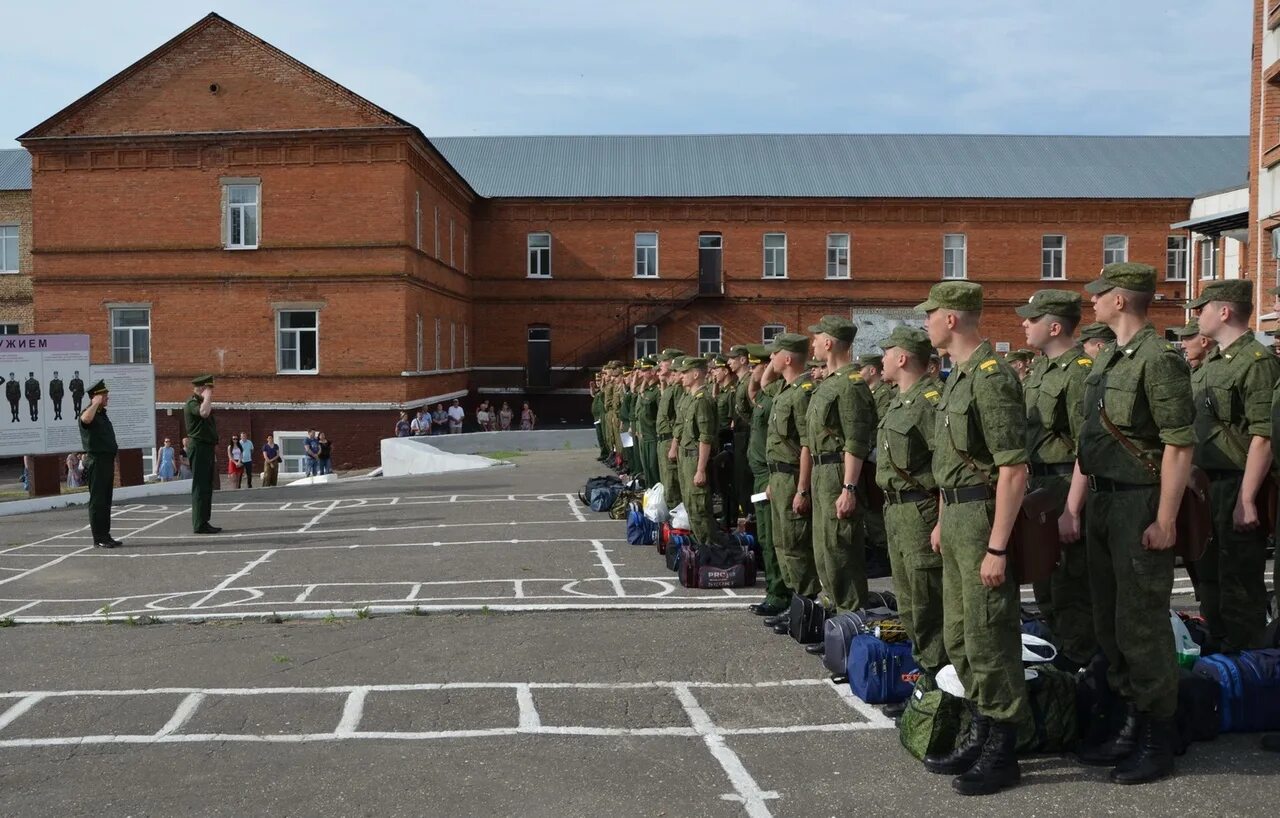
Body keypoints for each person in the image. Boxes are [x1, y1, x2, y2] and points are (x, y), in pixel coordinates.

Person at [1070, 262, 1193, 784]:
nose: (1092, 301)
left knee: (1141, 624)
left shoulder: (1159, 359)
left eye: (1099, 294)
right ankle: (1127, 717)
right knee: (1109, 621)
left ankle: (1156, 735)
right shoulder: (1109, 361)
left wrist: (1166, 518)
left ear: (1120, 300)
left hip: (1139, 504)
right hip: (1102, 501)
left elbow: (1179, 443)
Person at [918, 281, 1028, 796]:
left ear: (954, 319)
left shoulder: (990, 377)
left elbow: (1012, 469)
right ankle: (981, 727)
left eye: (931, 314)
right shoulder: (957, 377)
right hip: (957, 518)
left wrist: (999, 546)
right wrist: (941, 520)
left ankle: (1003, 748)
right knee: (960, 635)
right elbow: (949, 465)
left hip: (984, 520)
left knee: (990, 635)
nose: (926, 323)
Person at [1187, 279, 1278, 655]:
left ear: (1224, 311)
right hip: (1206, 485)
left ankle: (1251, 666)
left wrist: (1247, 498)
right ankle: (1222, 659)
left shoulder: (1257, 363)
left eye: (1202, 307)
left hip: (1236, 484)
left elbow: (1264, 436)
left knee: (1240, 587)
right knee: (1208, 581)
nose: (1197, 315)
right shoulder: (1214, 363)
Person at [1017, 289, 1097, 672]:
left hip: (1066, 485)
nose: (1024, 325)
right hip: (1042, 488)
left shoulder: (1079, 371)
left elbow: (1087, 447)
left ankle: (1080, 666)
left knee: (1070, 587)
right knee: (1046, 583)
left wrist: (1072, 509)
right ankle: (1062, 657)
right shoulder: (1041, 371)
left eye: (1031, 319)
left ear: (1054, 325)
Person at [876, 325, 947, 718]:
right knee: (908, 602)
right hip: (896, 511)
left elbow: (945, 465)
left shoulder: (928, 403)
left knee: (927, 603)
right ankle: (926, 680)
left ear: (902, 358)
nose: (882, 359)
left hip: (921, 512)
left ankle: (938, 692)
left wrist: (940, 520)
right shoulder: (899, 401)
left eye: (887, 352)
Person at [804, 316, 875, 639]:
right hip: (822, 471)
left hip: (837, 471)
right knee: (824, 548)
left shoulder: (850, 385)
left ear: (830, 342)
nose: (813, 343)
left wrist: (849, 487)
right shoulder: (830, 382)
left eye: (817, 338)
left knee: (840, 549)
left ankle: (851, 625)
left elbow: (856, 440)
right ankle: (835, 622)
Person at [764, 333, 820, 632]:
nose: (769, 360)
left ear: (787, 358)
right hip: (780, 475)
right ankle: (792, 604)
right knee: (782, 542)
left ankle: (805, 606)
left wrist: (802, 487)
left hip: (793, 475)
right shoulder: (787, 390)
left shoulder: (803, 392)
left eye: (774, 354)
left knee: (796, 544)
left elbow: (806, 445)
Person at [746, 344, 794, 620]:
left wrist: (765, 373)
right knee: (766, 536)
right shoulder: (768, 394)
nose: (756, 370)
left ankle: (780, 594)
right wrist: (758, 376)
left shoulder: (780, 394)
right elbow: (753, 395)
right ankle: (776, 592)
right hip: (762, 473)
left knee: (774, 537)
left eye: (759, 364)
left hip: (771, 473)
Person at [672, 357, 719, 542]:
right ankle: (700, 546)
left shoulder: (703, 400)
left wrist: (700, 469)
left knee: (699, 508)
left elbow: (705, 438)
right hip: (686, 458)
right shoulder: (691, 398)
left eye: (685, 372)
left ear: (696, 373)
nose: (681, 376)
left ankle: (709, 549)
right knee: (690, 505)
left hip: (695, 459)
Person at [78, 380, 122, 548]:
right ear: (95, 397)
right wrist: (95, 404)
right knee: (97, 501)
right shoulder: (89, 413)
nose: (107, 398)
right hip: (96, 462)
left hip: (106, 462)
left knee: (106, 500)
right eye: (104, 396)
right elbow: (85, 419)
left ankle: (106, 535)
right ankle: (99, 538)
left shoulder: (102, 415)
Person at [185, 375, 221, 534]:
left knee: (207, 485)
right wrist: (207, 398)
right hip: (198, 447)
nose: (211, 392)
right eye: (209, 389)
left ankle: (204, 521)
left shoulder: (200, 402)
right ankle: (199, 523)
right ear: (201, 388)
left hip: (206, 447)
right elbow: (204, 413)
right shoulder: (192, 403)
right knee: (200, 486)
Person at [656, 349, 686, 506]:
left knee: (672, 484)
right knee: (666, 482)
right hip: (662, 439)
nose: (660, 364)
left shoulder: (678, 389)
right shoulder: (670, 387)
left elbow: (679, 420)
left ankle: (676, 521)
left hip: (669, 439)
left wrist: (674, 445)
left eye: (664, 361)